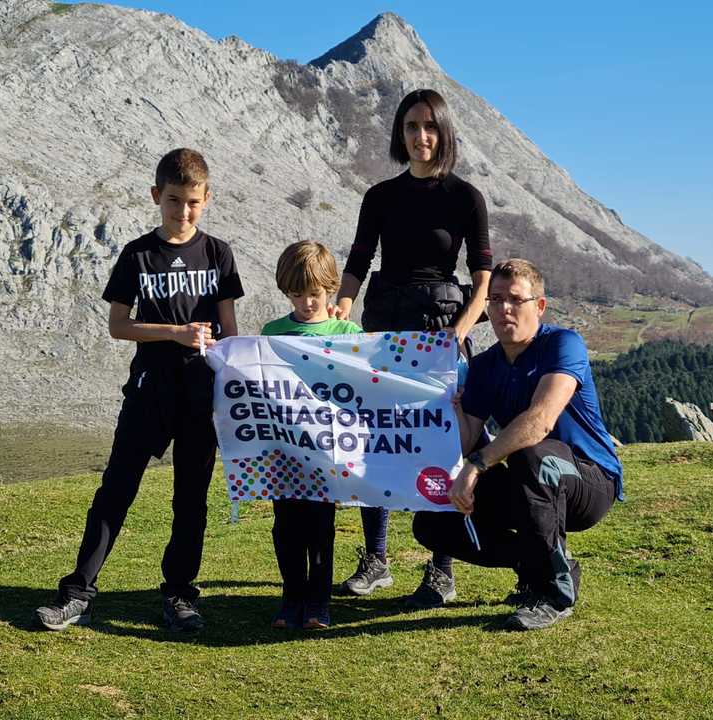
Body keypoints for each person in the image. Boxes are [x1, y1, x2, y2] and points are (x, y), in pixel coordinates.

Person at [35, 148, 244, 632]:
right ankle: (77, 593)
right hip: (150, 391)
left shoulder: (219, 253)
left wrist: (238, 375)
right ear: (156, 196)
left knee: (190, 500)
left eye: (193, 202)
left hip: (200, 395)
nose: (183, 211)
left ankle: (179, 595)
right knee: (116, 490)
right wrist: (175, 333)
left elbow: (229, 329)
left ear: (207, 199)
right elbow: (118, 325)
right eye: (174, 200)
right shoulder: (137, 254)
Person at [334, 88, 493, 609]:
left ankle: (441, 569)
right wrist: (340, 308)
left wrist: (462, 328)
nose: (420, 136)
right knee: (373, 438)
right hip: (384, 327)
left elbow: (483, 276)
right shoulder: (379, 196)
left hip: (441, 330)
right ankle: (376, 559)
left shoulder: (466, 197)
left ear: (443, 132)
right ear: (399, 134)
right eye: (410, 127)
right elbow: (359, 260)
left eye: (429, 126)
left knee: (441, 443)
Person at [413, 259, 623, 631]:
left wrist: (477, 465)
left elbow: (540, 421)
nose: (503, 309)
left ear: (539, 306)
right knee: (432, 522)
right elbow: (466, 439)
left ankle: (553, 595)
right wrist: (454, 409)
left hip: (589, 480)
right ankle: (542, 564)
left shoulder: (563, 344)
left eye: (515, 299)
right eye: (495, 300)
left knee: (532, 455)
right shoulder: (485, 366)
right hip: (531, 484)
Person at [261, 241, 363, 630]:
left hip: (328, 450)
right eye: (296, 294)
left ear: (330, 289)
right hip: (284, 450)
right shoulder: (273, 333)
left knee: (320, 525)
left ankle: (319, 603)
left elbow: (370, 384)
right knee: (286, 524)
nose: (306, 303)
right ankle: (292, 598)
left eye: (315, 294)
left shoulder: (347, 332)